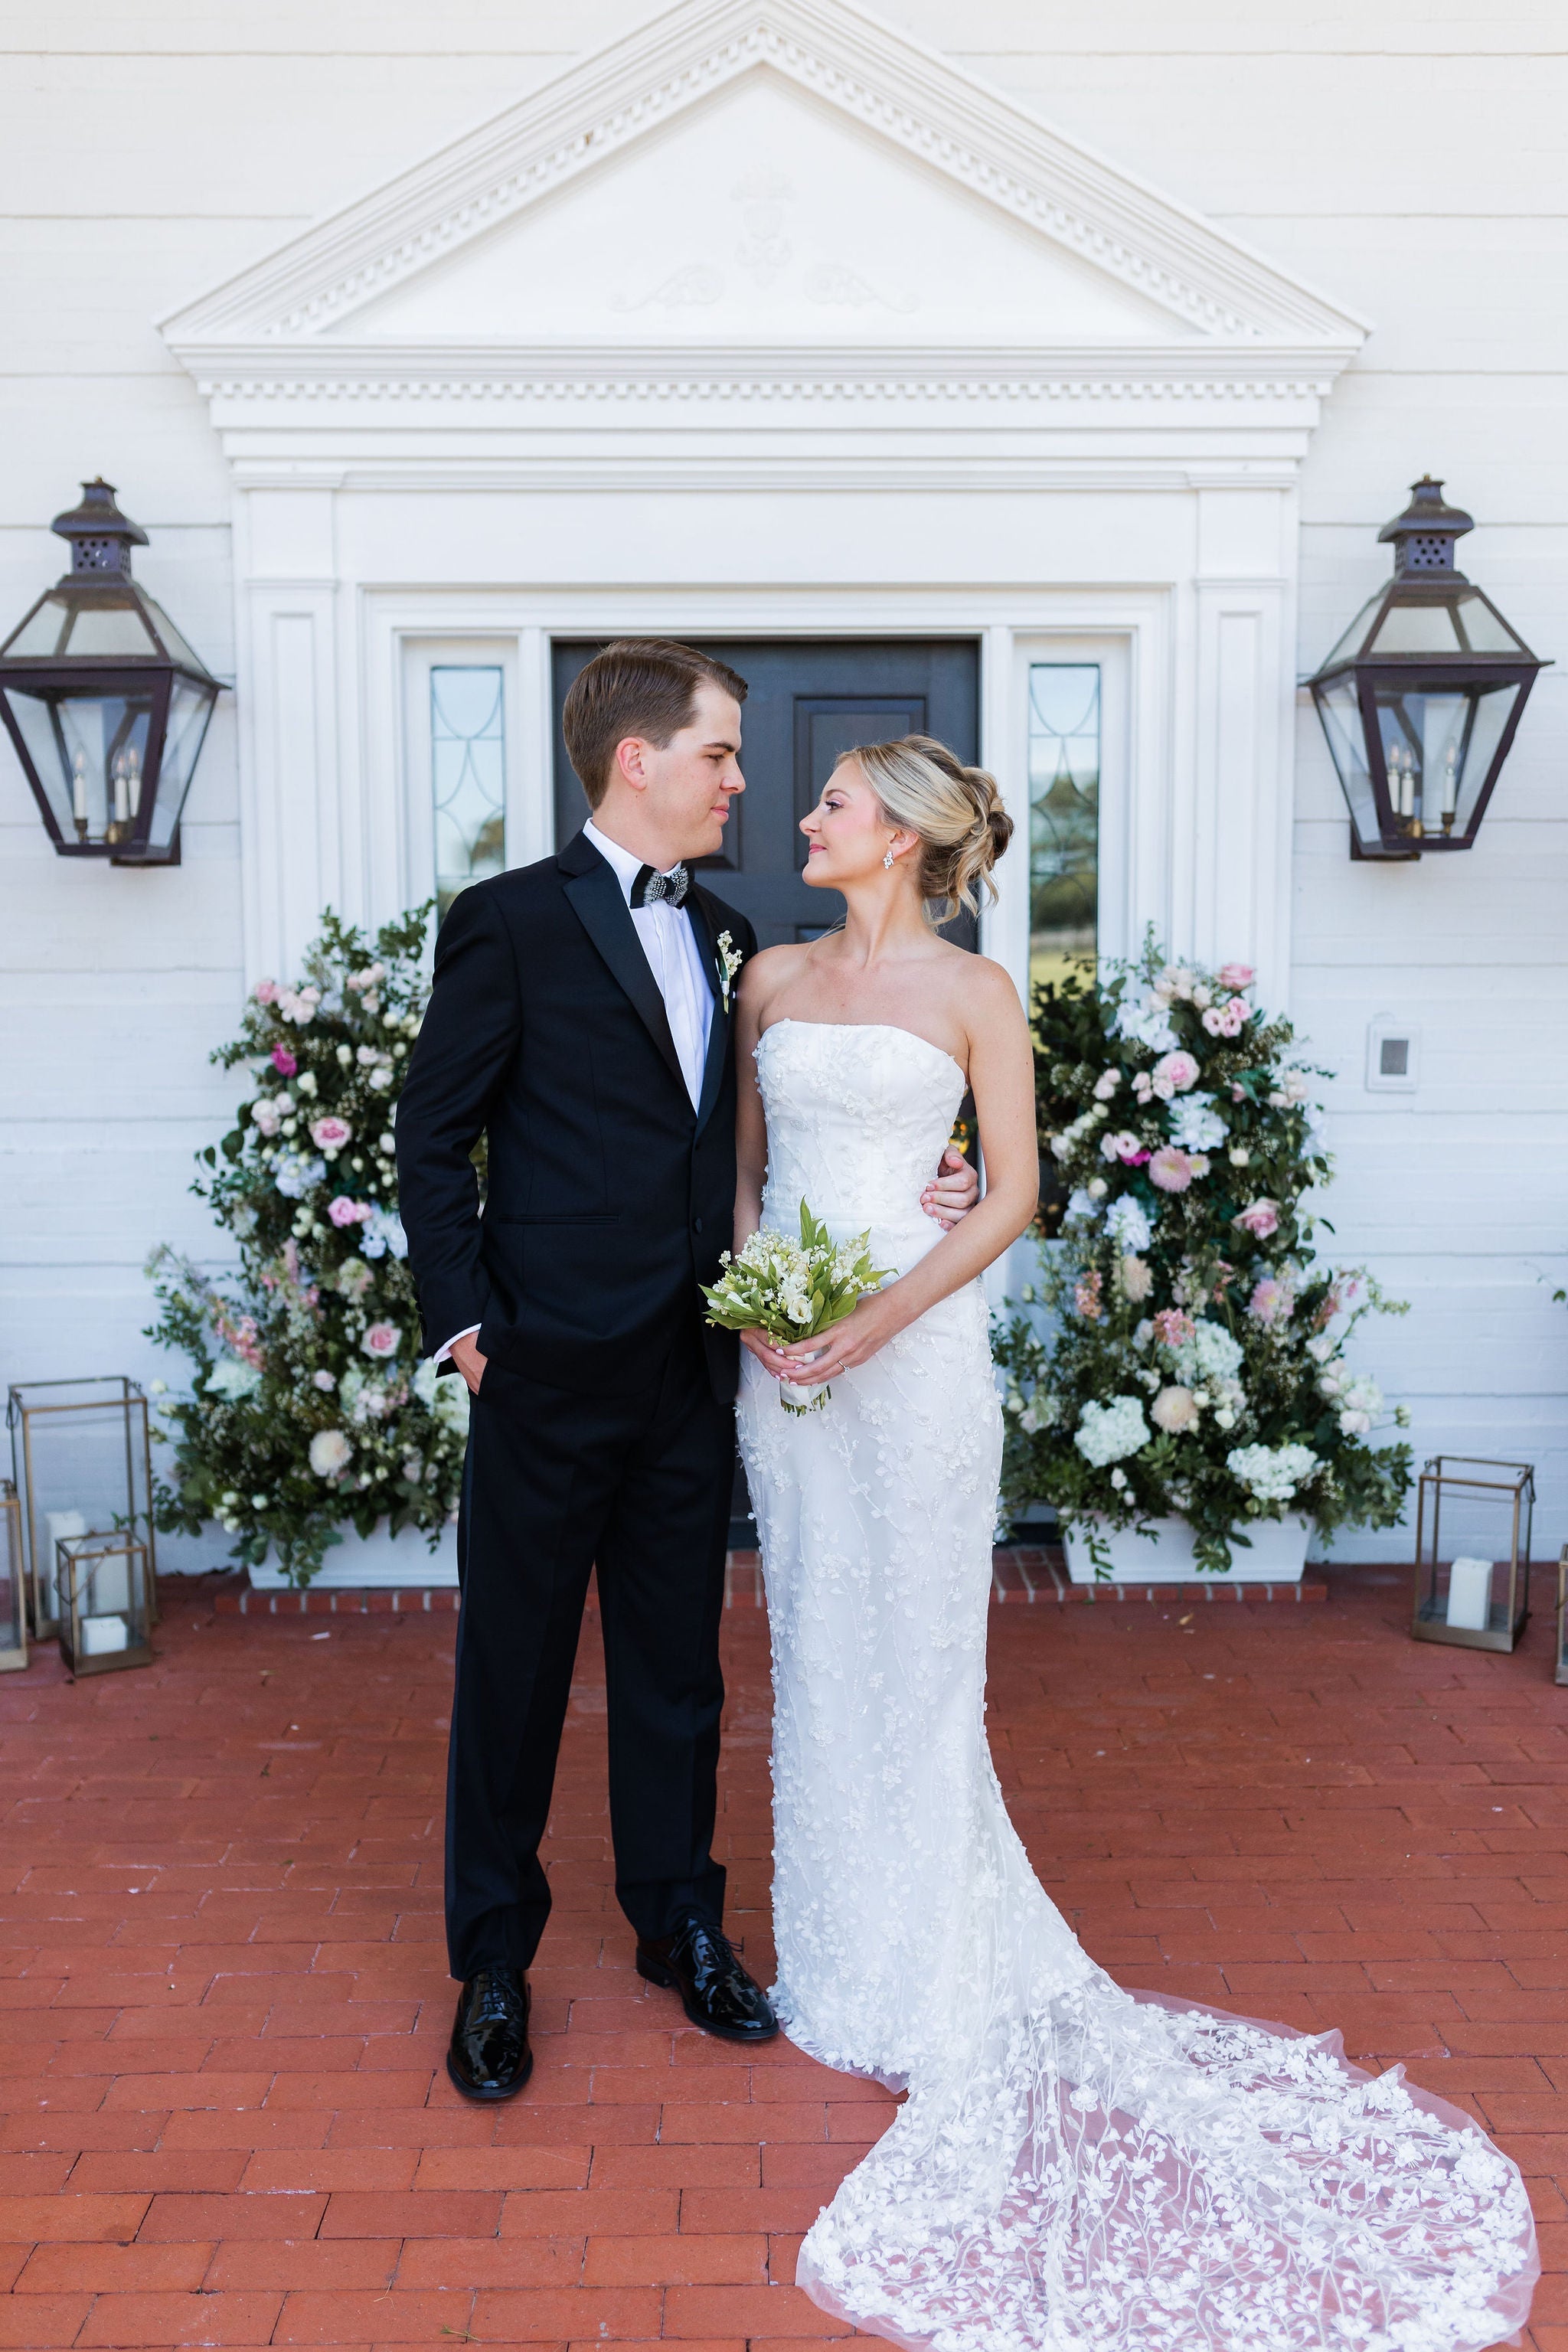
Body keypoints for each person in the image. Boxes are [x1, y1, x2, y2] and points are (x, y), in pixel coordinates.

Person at [733, 735, 1538, 2352]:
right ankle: (832, 1959)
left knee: (920, 1663)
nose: (800, 818)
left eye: (828, 801)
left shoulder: (974, 996)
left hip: (916, 1358)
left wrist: (869, 1322)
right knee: (816, 1644)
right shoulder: (763, 977)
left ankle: (930, 1963)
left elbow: (1008, 1196)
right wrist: (768, 1308)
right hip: (787, 1369)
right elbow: (746, 1183)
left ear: (896, 835)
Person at [394, 641, 978, 2102]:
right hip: (534, 1370)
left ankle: (679, 1929)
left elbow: (768, 1143)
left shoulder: (735, 939)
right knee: (512, 1678)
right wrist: (466, 1328)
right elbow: (430, 1136)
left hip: (691, 1373)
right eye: (719, 753)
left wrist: (936, 1179)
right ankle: (493, 1964)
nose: (741, 779)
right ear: (635, 758)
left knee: (677, 1676)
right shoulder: (507, 923)